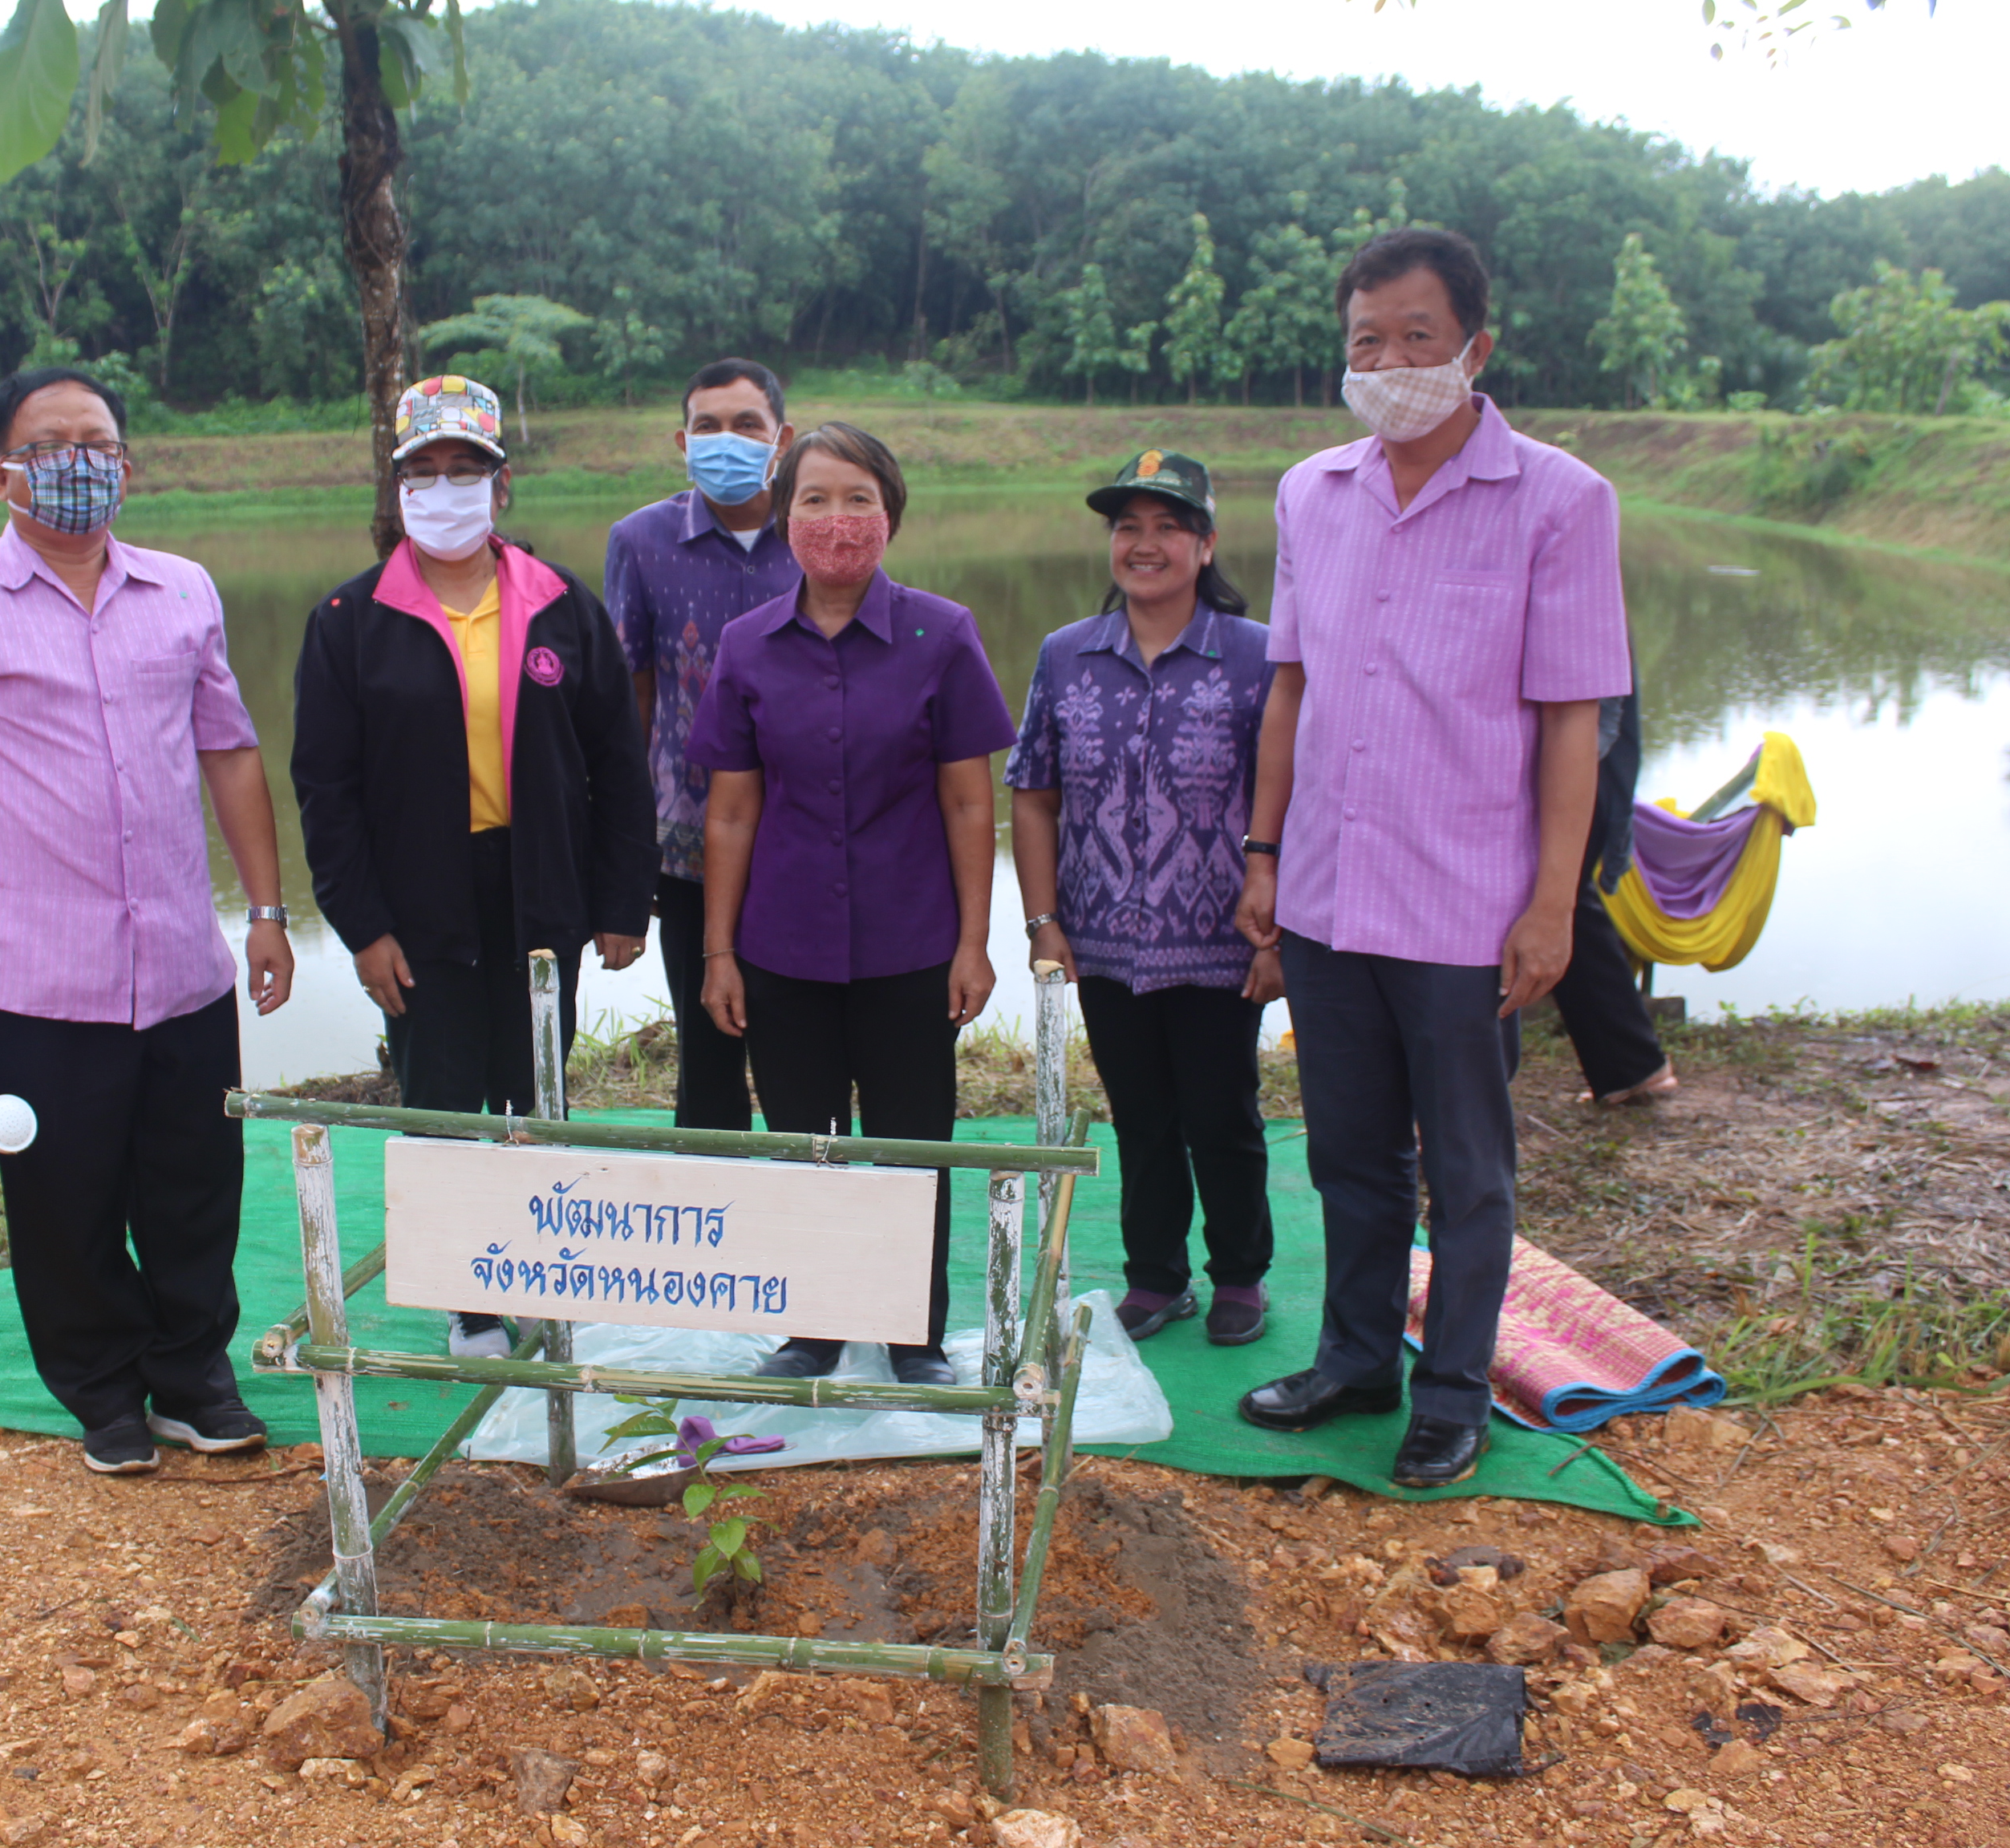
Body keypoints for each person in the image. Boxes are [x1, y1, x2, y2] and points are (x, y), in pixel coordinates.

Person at [1232, 228, 1633, 1490]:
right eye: (1367, 341)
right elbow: (1288, 688)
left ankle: (1453, 1389)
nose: (1392, 361)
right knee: (1348, 1153)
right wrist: (1265, 855)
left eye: (1417, 337)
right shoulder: (1314, 492)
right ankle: (1358, 1355)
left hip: (1468, 909)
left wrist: (1552, 906)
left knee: (1466, 1171)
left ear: (1475, 347)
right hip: (1332, 897)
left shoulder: (1562, 500)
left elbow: (1576, 719)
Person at [0, 365, 297, 1477]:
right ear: (1, 473)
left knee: (196, 1178)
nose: (79, 461)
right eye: (51, 443)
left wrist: (266, 910)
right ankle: (104, 1390)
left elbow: (232, 752)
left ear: (128, 464)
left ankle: (194, 1374)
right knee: (64, 1193)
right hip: (36, 974)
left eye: (98, 442)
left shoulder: (183, 592)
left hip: (178, 960)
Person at [290, 375, 655, 1359]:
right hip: (418, 902)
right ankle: (471, 1300)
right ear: (398, 488)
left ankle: (542, 1272)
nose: (444, 488)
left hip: (542, 888)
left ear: (501, 488)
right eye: (424, 472)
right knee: (443, 1093)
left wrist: (623, 902)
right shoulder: (349, 619)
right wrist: (363, 927)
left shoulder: (563, 606)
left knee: (536, 1090)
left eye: (466, 470)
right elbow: (327, 794)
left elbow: (620, 766)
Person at [687, 422, 1019, 1388]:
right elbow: (733, 811)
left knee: (914, 1146)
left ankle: (916, 1337)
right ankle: (815, 1330)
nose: (838, 520)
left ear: (891, 514)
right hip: (781, 947)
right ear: (786, 520)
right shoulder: (748, 647)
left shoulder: (942, 634)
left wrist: (973, 941)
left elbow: (967, 798)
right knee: (807, 1144)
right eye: (816, 501)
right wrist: (719, 952)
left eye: (859, 499)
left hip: (911, 943)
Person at [1006, 448, 1282, 1348]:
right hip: (1104, 942)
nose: (1146, 544)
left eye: (1169, 527)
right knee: (1141, 1116)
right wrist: (1044, 923)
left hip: (1219, 940)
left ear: (1206, 545)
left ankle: (1238, 1273)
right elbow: (1035, 794)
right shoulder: (1066, 656)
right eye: (1129, 527)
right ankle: (1156, 1276)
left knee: (1223, 1111)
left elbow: (1292, 799)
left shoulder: (1259, 657)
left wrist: (1278, 932)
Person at [604, 359, 801, 1131]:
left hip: (802, 845)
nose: (727, 440)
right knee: (707, 1053)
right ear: (680, 440)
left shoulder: (820, 531)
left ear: (780, 438)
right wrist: (631, 848)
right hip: (686, 851)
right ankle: (715, 1229)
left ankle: (810, 1227)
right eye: (708, 426)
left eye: (746, 424)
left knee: (798, 1054)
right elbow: (633, 700)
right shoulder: (641, 541)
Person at [1552, 683, 1676, 1104]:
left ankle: (1635, 1067)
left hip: (1576, 775)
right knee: (1569, 913)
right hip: (1575, 772)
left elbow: (1603, 721)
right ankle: (1632, 1067)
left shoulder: (1585, 620)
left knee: (1563, 910)